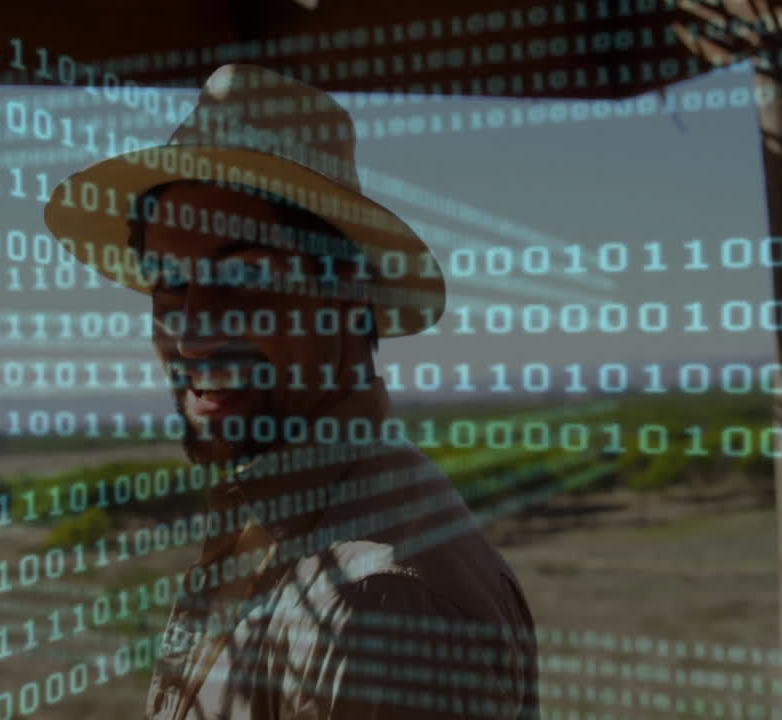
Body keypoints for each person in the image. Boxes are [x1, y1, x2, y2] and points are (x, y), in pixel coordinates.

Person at [45, 64, 538, 720]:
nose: (192, 338)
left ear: (347, 293)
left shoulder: (378, 604)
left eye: (244, 277)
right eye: (169, 284)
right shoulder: (277, 526)